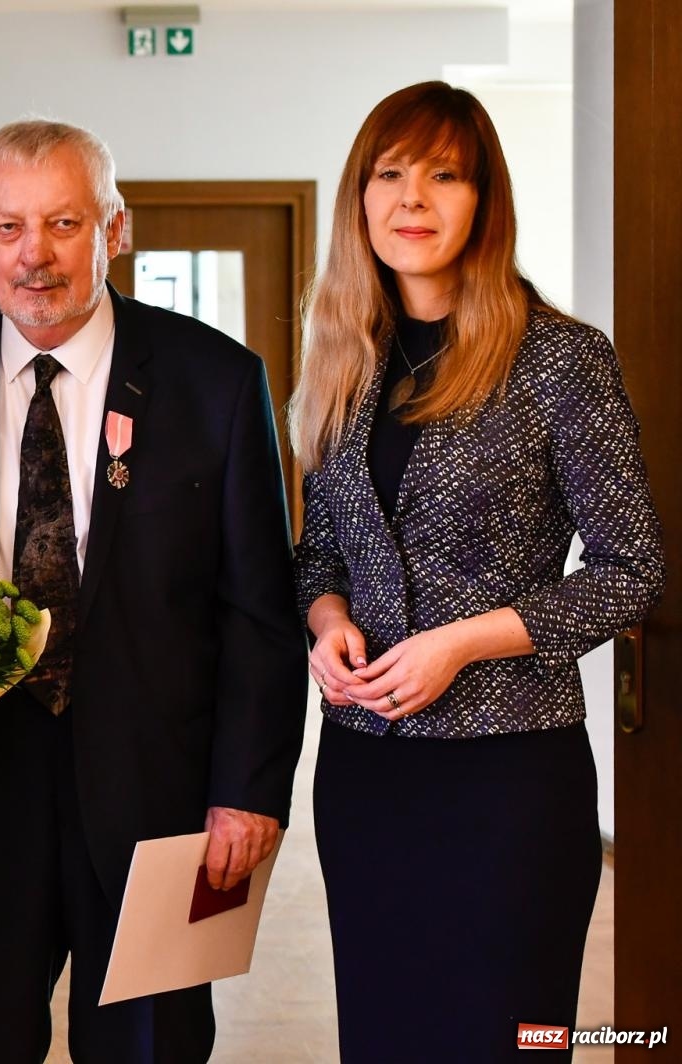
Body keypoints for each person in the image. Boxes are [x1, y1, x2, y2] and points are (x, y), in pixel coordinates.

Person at [0, 120, 305, 1063]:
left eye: (63, 223)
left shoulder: (217, 384)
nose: (35, 255)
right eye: (10, 227)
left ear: (115, 230)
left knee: (155, 1046)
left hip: (167, 801)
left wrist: (248, 790)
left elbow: (261, 614)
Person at [290, 82, 664, 1062]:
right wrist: (326, 617)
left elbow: (631, 570)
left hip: (506, 782)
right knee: (381, 1034)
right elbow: (322, 549)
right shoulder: (341, 358)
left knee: (505, 1040)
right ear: (358, 197)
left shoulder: (560, 360)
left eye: (443, 174)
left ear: (482, 199)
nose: (413, 198)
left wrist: (462, 641)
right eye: (390, 173)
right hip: (364, 771)